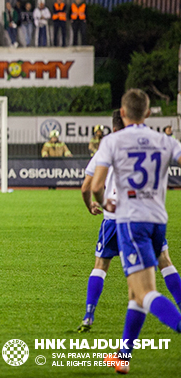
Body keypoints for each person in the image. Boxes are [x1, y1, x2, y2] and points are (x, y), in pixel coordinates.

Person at [92, 89, 181, 373]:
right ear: (148, 112)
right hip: (158, 221)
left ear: (122, 111)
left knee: (144, 293)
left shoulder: (114, 140)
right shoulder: (165, 140)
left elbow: (95, 187)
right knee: (136, 292)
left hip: (131, 222)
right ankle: (123, 356)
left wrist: (100, 201)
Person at [77, 110, 181, 334]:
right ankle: (123, 357)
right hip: (152, 216)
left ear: (116, 125)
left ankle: (88, 313)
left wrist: (96, 203)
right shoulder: (157, 141)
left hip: (120, 219)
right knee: (163, 263)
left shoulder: (111, 145)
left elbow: (89, 187)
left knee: (108, 270)